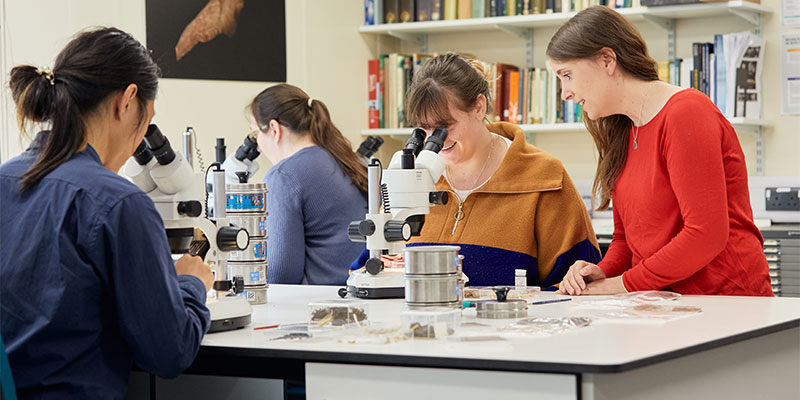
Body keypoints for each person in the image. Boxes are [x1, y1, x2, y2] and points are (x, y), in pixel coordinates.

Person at [0, 28, 214, 398]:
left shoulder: (4, 179)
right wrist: (191, 284)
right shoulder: (119, 202)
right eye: (147, 119)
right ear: (127, 101)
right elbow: (170, 352)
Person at [548, 7, 773, 296]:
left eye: (567, 75)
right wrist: (602, 271)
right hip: (665, 303)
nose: (565, 93)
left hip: (726, 300)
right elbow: (626, 239)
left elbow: (705, 235)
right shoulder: (624, 129)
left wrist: (621, 284)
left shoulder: (686, 113)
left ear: (607, 60)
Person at [355, 52, 602, 289]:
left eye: (444, 127)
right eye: (423, 129)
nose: (435, 140)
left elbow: (580, 284)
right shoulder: (411, 180)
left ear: (479, 107)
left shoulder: (544, 177)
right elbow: (365, 269)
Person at [248, 84, 368, 285]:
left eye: (255, 134)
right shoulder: (355, 162)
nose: (257, 146)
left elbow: (279, 277)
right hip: (362, 295)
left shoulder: (283, 177)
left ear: (274, 129)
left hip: (316, 302)